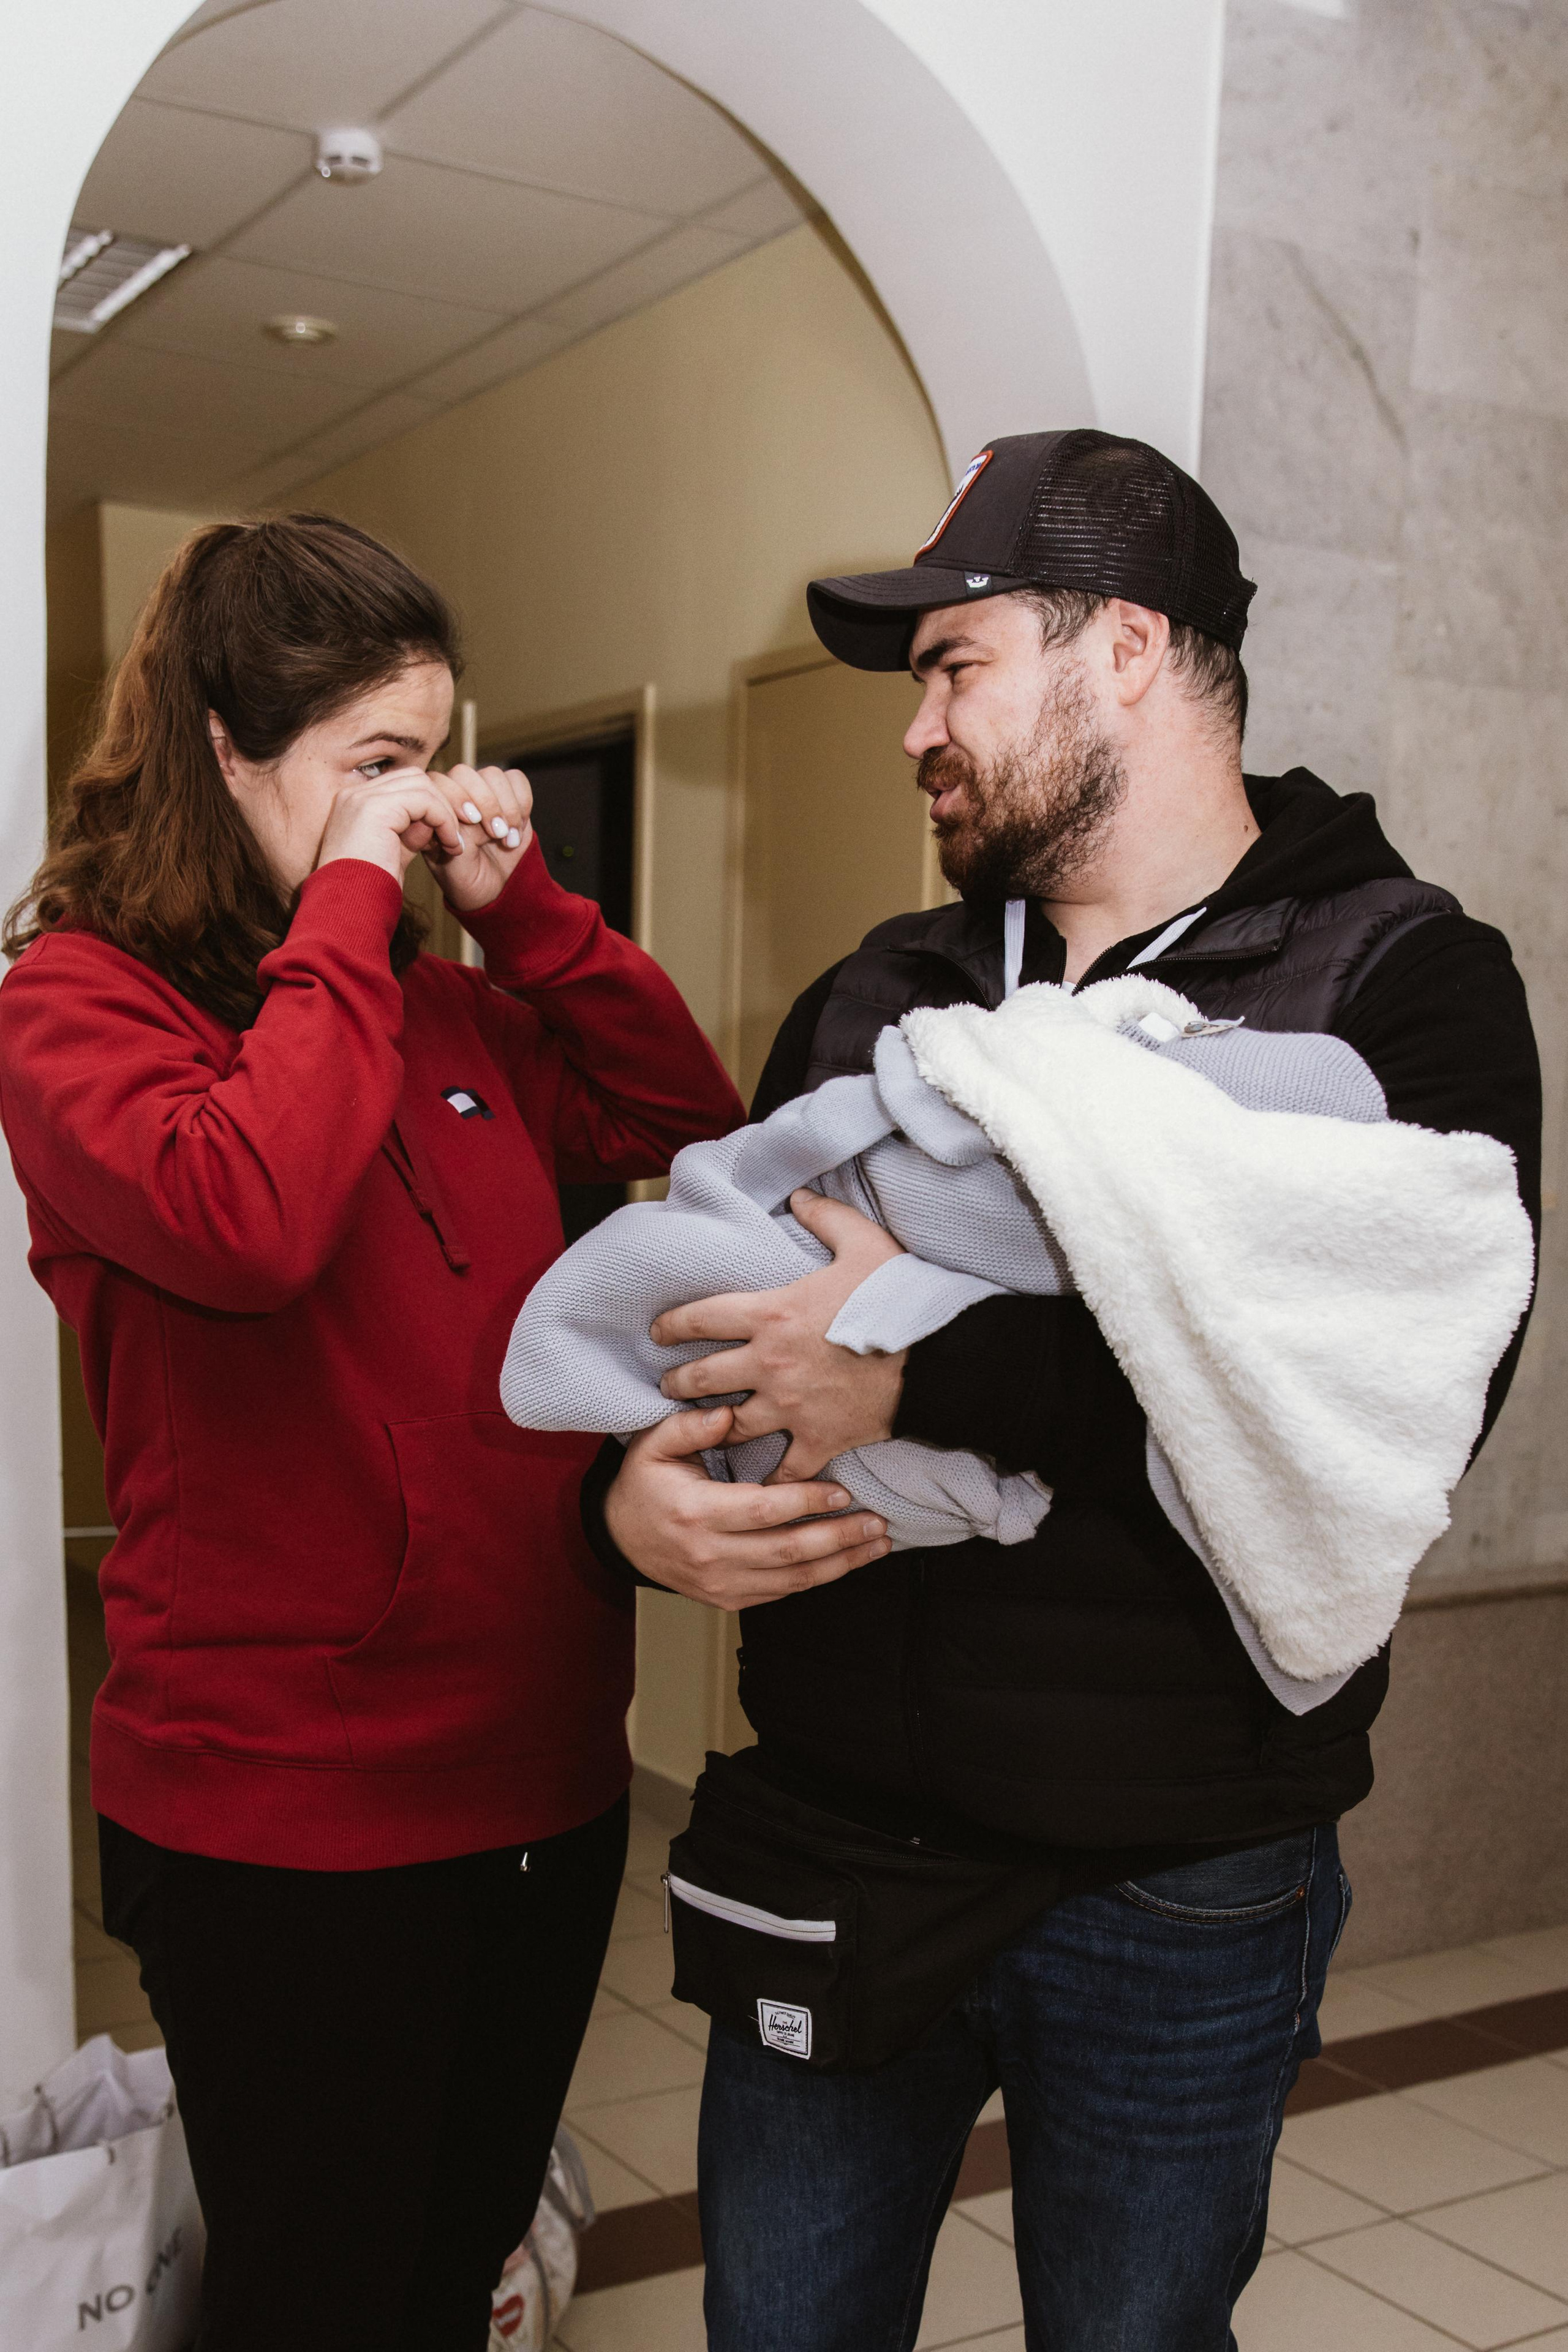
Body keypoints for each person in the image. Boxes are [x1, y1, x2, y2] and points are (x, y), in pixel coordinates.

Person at [582, 431, 1542, 2350]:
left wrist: (920, 1369)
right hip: (842, 1833)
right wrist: (628, 1494)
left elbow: (1386, 1396)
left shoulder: (1398, 987)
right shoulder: (885, 993)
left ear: (1124, 648)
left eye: (955, 666)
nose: (913, 729)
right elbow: (719, 1299)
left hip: (1177, 1882)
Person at [0, 514, 742, 2352]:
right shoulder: (77, 1004)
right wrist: (346, 900)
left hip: (539, 1776)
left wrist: (526, 914)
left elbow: (684, 1110)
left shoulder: (446, 1003)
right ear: (231, 758)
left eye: (433, 758)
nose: (417, 814)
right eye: (379, 769)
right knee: (312, 2305)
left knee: (459, 2269)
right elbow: (248, 1217)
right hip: (287, 1815)